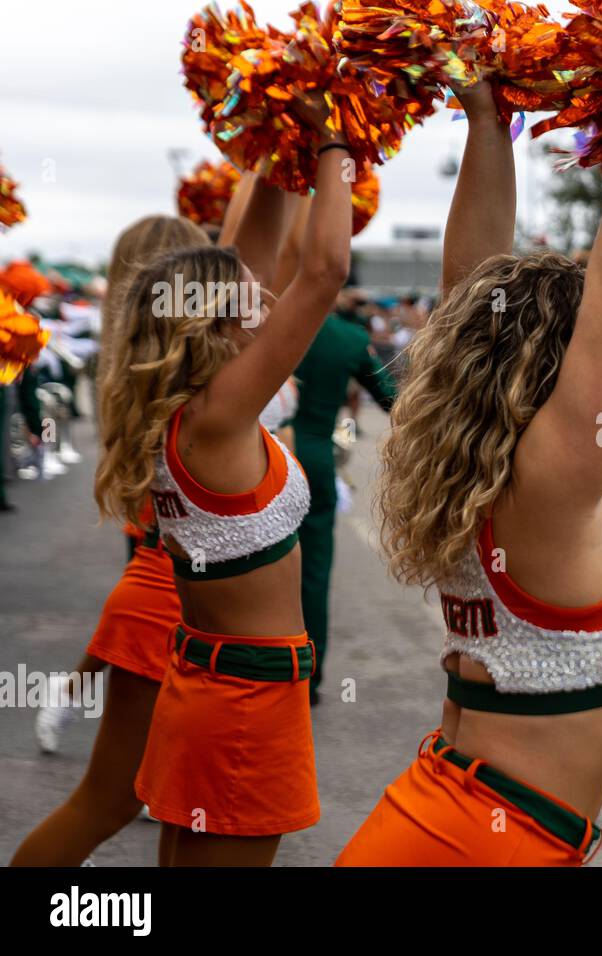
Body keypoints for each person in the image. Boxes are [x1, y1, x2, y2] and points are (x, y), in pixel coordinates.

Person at [335, 84, 602, 866]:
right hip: (482, 841)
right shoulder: (550, 489)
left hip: (451, 820)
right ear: (560, 365)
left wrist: (487, 116)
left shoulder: (484, 475)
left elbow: (470, 287)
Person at [94, 99, 352, 866]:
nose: (267, 297)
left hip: (212, 685)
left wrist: (279, 143)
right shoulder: (218, 417)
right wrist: (338, 134)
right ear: (214, 317)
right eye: (250, 290)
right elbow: (325, 270)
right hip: (243, 701)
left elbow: (270, 254)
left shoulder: (190, 412)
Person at [10, 216, 210, 867]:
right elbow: (314, 272)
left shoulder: (148, 361)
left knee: (169, 800)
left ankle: (63, 704)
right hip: (170, 601)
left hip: (179, 596)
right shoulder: (187, 372)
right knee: (109, 800)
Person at [292, 285, 397, 707]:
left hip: (255, 453)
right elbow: (392, 399)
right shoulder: (349, 338)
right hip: (314, 458)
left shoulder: (263, 324)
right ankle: (307, 675)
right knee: (313, 574)